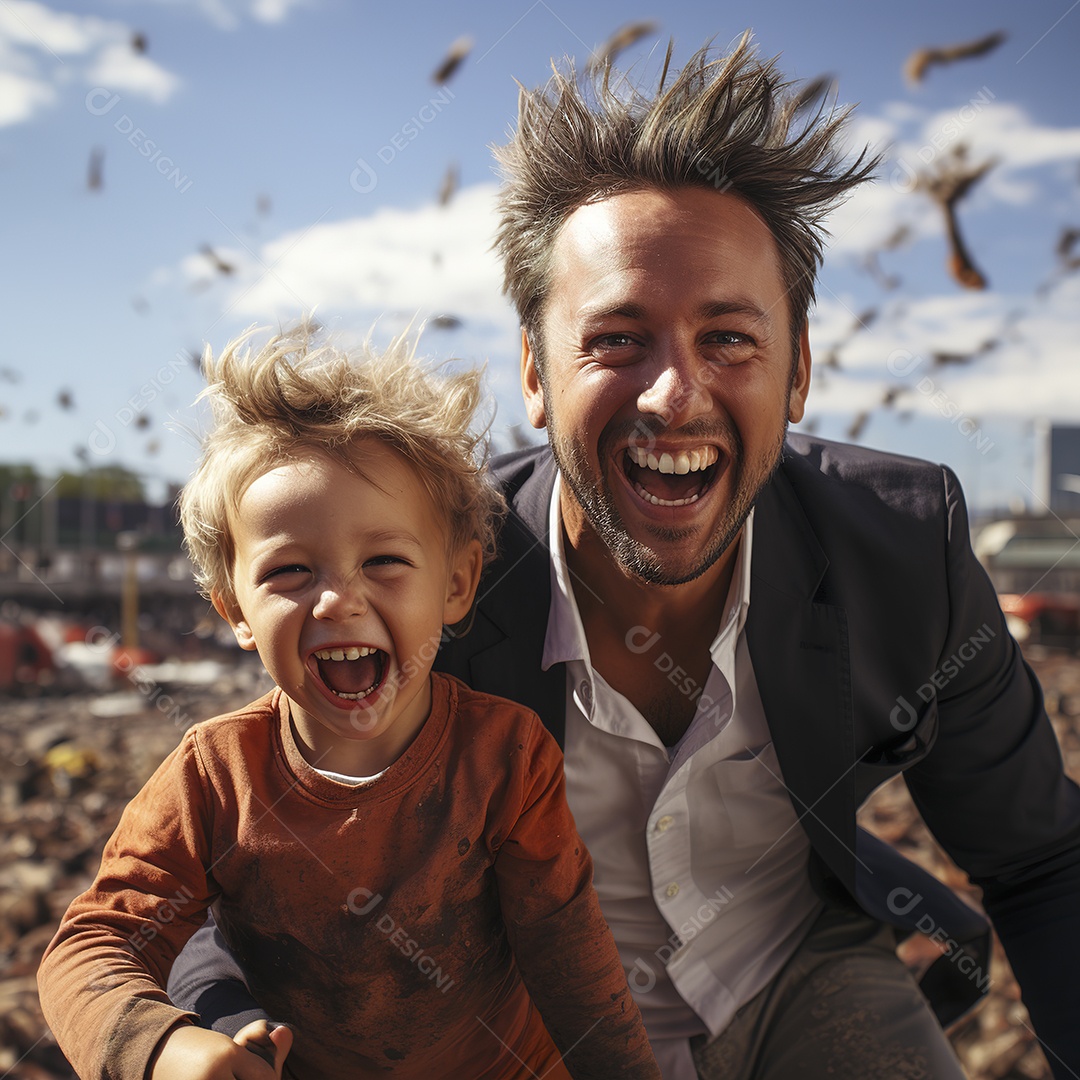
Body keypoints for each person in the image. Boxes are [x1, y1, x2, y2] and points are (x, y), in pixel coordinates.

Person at [169, 33, 1080, 1080]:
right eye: (616, 339)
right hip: (518, 1014)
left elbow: (1041, 858)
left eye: (728, 338)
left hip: (798, 969)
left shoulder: (904, 550)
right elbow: (234, 881)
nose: (673, 396)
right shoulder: (421, 578)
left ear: (797, 374)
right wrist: (217, 1029)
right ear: (534, 373)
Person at [36, 326, 662, 1080]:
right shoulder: (215, 778)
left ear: (457, 584)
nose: (339, 600)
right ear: (233, 609)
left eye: (385, 561)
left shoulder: (506, 756)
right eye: (290, 572)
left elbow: (571, 961)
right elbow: (92, 946)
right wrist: (163, 1045)